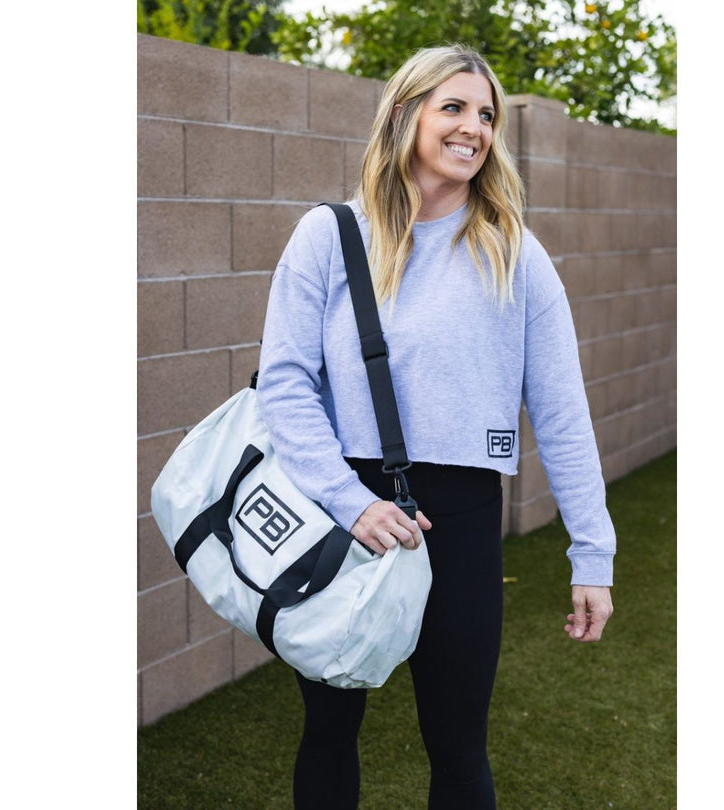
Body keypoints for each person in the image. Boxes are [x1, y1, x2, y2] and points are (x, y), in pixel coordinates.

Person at [256, 43, 616, 810]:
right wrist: (351, 504)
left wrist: (594, 554)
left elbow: (562, 415)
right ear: (404, 113)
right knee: (328, 729)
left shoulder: (516, 255)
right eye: (453, 107)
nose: (474, 128)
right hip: (343, 514)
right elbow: (285, 386)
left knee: (458, 748)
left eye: (485, 114)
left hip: (464, 518)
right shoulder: (329, 237)